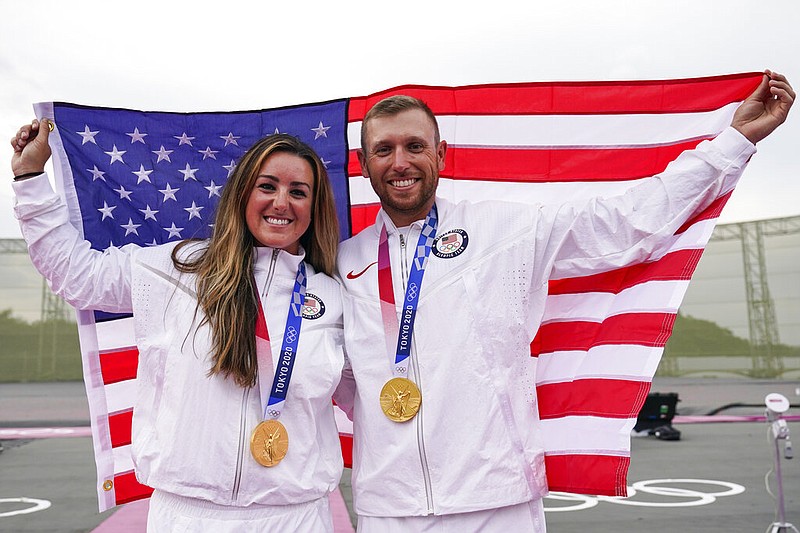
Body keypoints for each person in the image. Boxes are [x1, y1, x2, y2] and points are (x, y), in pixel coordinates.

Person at [332, 70, 794, 532]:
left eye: (415, 146)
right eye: (384, 149)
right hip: (388, 508)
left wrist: (733, 141)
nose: (400, 162)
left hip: (497, 502)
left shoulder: (502, 230)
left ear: (440, 153)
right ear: (363, 161)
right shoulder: (343, 263)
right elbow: (336, 379)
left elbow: (628, 224)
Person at [11, 123, 346, 532]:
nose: (281, 202)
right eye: (267, 186)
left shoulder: (332, 297)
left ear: (314, 208)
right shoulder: (176, 269)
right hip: (187, 516)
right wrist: (30, 180)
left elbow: (365, 392)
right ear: (243, 194)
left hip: (296, 517)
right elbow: (77, 276)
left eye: (298, 191)